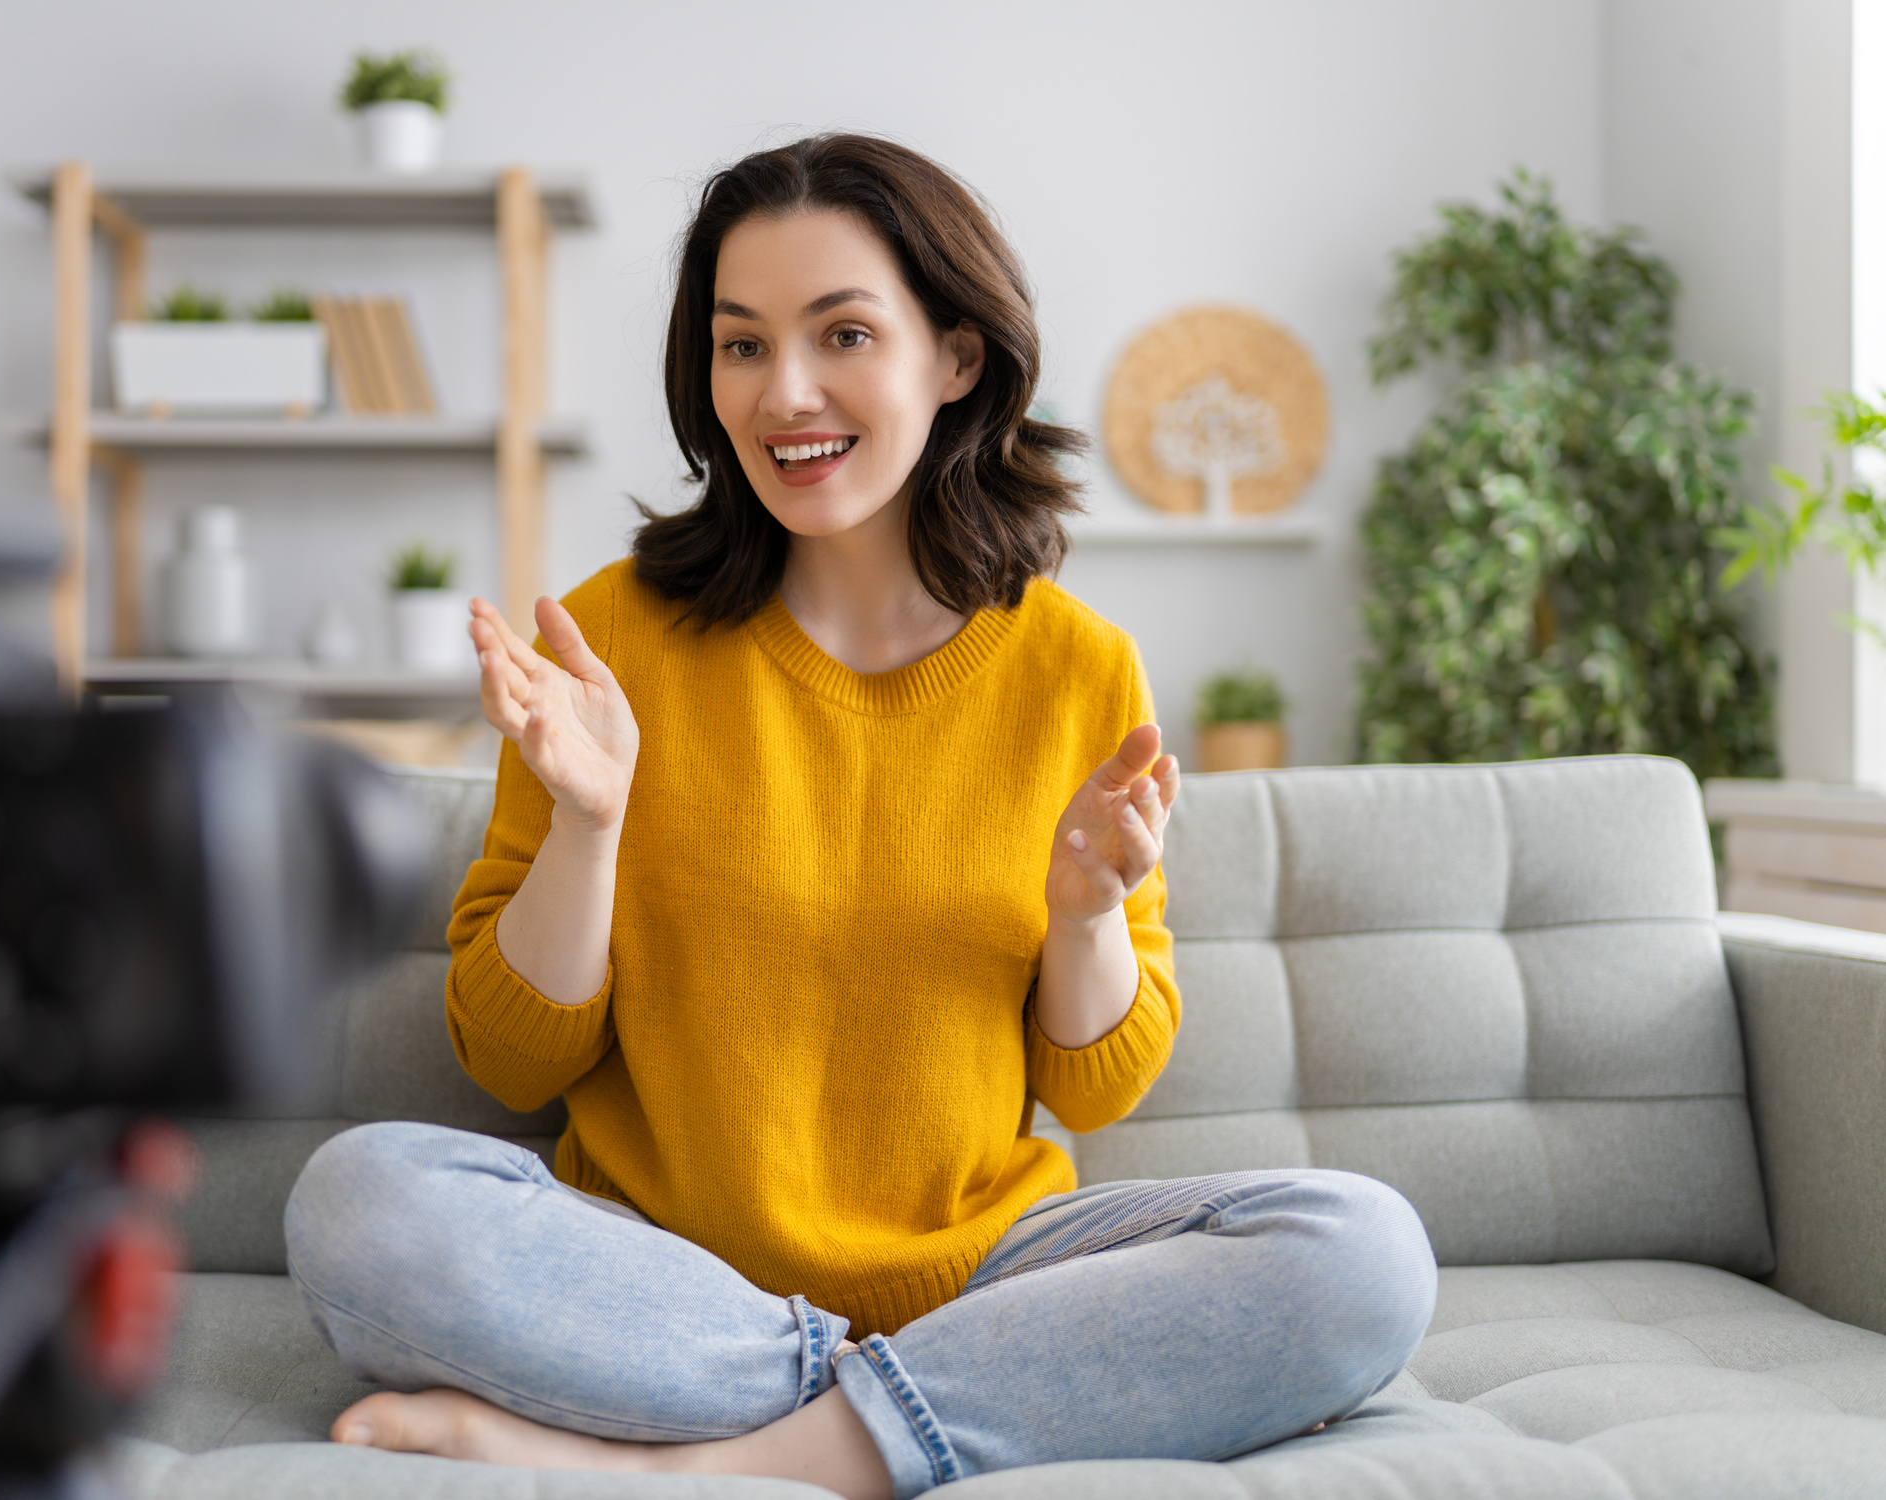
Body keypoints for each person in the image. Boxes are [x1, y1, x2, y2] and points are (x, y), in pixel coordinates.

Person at [284, 134, 1436, 1499]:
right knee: (355, 1201)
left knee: (1361, 1253)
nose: (784, 394)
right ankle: (907, 1425)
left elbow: (1095, 1085)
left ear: (955, 357)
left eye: (842, 333)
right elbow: (511, 1058)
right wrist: (590, 825)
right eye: (740, 345)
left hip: (979, 1278)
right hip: (660, 1269)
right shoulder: (603, 641)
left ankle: (704, 1462)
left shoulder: (1076, 666)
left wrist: (1082, 916)